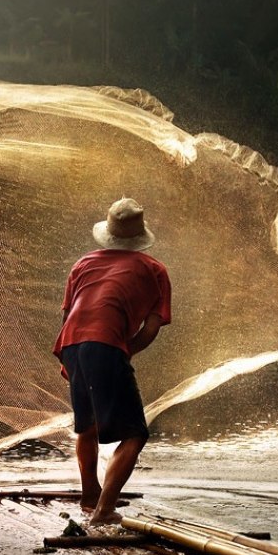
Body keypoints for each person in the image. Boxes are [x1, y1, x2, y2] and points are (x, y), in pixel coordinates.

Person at [53, 198, 171, 525]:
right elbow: (151, 327)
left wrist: (74, 356)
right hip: (103, 345)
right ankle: (104, 511)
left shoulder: (82, 264)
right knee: (135, 433)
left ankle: (90, 495)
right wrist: (123, 350)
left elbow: (67, 316)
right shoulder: (153, 270)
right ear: (139, 236)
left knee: (87, 427)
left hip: (71, 343)